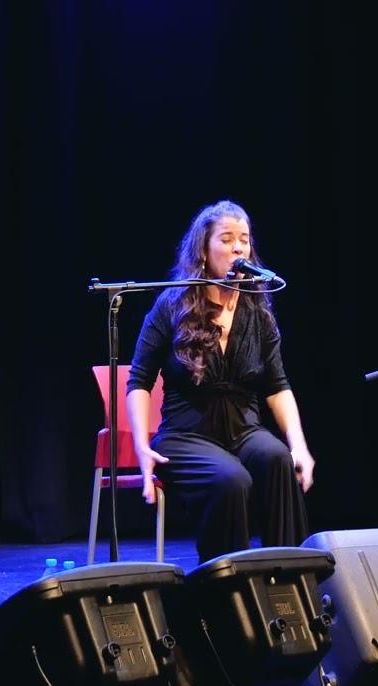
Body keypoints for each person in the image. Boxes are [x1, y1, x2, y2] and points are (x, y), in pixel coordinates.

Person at [126, 200, 315, 565]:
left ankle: (290, 581)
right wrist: (139, 445)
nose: (238, 247)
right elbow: (139, 380)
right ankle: (225, 594)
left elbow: (278, 385)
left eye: (243, 239)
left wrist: (300, 446)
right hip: (186, 435)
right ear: (204, 249)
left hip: (244, 430)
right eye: (227, 239)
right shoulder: (172, 303)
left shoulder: (256, 307)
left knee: (278, 459)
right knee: (232, 481)